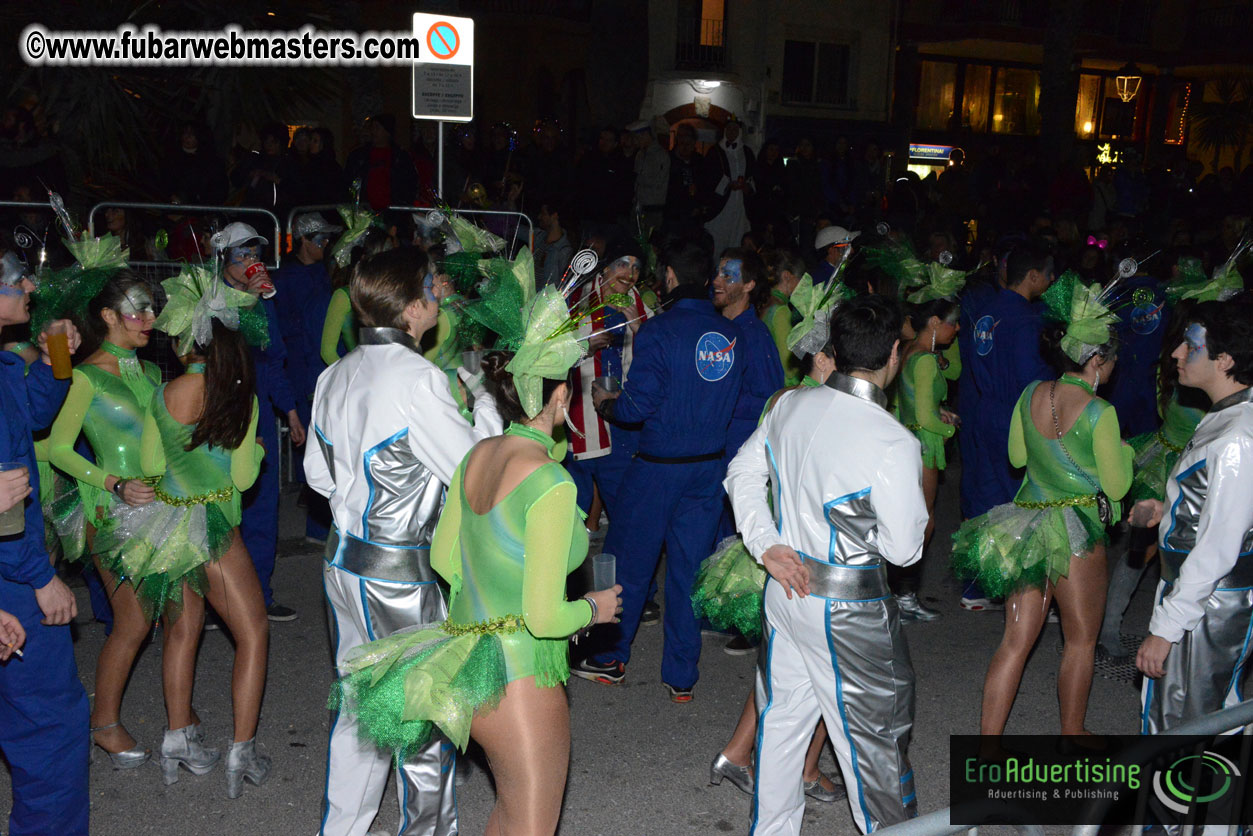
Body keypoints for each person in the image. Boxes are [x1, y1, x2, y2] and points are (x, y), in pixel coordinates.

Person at [328, 282, 622, 835]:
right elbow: (543, 617)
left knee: (508, 814)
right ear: (559, 398)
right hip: (522, 680)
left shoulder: (478, 456)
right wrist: (594, 608)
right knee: (531, 824)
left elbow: (445, 557)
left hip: (470, 667)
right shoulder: (553, 485)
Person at [306, 247, 502, 836]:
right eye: (432, 290)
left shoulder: (333, 372)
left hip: (343, 563)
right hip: (399, 575)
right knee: (421, 720)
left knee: (361, 714)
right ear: (414, 307)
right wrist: (486, 399)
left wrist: (358, 503)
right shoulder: (419, 378)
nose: (439, 298)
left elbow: (318, 474)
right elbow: (475, 473)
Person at [725, 294, 927, 834]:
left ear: (833, 350)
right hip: (849, 608)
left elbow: (741, 475)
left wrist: (765, 543)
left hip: (785, 589)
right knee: (875, 748)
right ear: (894, 356)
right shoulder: (893, 442)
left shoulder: (790, 404)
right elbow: (906, 551)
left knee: (783, 724)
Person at [99, 263, 271, 795]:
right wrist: (256, 449)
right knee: (254, 634)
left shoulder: (162, 395)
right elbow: (242, 478)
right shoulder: (239, 396)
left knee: (181, 632)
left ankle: (179, 742)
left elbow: (150, 464)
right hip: (215, 529)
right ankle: (241, 753)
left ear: (185, 345)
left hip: (168, 529)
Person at [952, 273, 1133, 742]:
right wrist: (1126, 455)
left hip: (1028, 527)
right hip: (1076, 533)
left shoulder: (1031, 393)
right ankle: (1073, 733)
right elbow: (1116, 486)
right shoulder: (1100, 412)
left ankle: (988, 745)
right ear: (1095, 359)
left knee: (1015, 642)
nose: (1112, 369)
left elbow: (1016, 458)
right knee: (1080, 641)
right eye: (1110, 360)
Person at [572, 238, 744, 701]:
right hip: (706, 471)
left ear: (669, 276)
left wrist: (607, 404)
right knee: (689, 570)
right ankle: (682, 677)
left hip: (658, 466)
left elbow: (636, 406)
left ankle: (611, 657)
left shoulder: (661, 331)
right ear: (707, 280)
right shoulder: (731, 334)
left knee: (631, 561)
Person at [704, 296, 847, 805]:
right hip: (800, 550)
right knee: (829, 667)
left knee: (782, 667)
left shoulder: (782, 399)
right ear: (824, 359)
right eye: (843, 355)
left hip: (767, 536)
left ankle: (739, 753)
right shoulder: (828, 408)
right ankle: (804, 770)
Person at [47, 270, 162, 768]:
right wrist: (112, 483)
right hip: (108, 511)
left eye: (152, 309)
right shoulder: (86, 376)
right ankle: (104, 724)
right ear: (108, 316)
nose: (149, 319)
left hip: (160, 509)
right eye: (137, 309)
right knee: (133, 622)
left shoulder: (153, 373)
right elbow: (55, 447)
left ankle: (180, 717)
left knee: (163, 615)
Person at [1136, 299, 1253, 745]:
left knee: (1194, 724)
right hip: (1203, 595)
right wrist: (1170, 512)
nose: (1176, 355)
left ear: (1224, 360)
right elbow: (1225, 512)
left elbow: (1220, 545)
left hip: (1210, 602)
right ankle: (1186, 814)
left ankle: (1194, 816)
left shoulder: (1237, 436)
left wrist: (1166, 629)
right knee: (1190, 718)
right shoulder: (1229, 416)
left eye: (1190, 346)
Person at [0, 255, 88, 836]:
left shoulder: (5, 366)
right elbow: (6, 508)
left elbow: (32, 413)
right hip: (14, 572)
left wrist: (58, 352)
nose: (30, 287)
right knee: (49, 726)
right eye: (15, 280)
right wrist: (39, 575)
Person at [956, 239, 1056, 611]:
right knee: (1026, 505)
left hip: (984, 410)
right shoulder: (1028, 320)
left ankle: (975, 586)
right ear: (1032, 276)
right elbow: (1031, 377)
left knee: (983, 504)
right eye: (1047, 277)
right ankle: (1025, 597)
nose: (1049, 283)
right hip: (1016, 418)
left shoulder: (986, 311)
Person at [212, 222, 302, 622]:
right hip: (223, 411)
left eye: (255, 255)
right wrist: (244, 301)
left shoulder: (265, 300)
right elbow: (212, 350)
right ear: (224, 262)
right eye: (242, 256)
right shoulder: (211, 299)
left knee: (263, 505)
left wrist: (292, 411)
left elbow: (275, 359)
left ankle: (258, 597)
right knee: (219, 507)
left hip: (261, 414)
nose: (251, 263)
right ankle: (217, 601)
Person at [565, 241, 654, 532]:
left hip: (624, 425)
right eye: (623, 264)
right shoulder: (576, 302)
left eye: (637, 267)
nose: (630, 273)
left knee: (625, 511)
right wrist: (584, 347)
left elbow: (659, 359)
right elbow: (547, 354)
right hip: (581, 419)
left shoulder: (642, 308)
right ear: (605, 267)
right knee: (572, 508)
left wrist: (640, 331)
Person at [893, 276, 964, 622]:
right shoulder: (925, 360)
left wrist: (938, 411)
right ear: (934, 322)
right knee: (923, 522)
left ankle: (900, 593)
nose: (958, 329)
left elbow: (912, 404)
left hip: (907, 439)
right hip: (922, 446)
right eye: (952, 323)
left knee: (911, 519)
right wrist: (948, 426)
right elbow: (923, 415)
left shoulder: (910, 350)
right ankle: (903, 596)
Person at [276, 213, 342, 542]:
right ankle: (316, 523)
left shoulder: (319, 272)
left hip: (316, 361)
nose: (325, 245)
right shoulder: (285, 277)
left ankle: (319, 516)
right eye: (320, 240)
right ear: (304, 240)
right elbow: (283, 325)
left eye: (327, 240)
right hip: (301, 366)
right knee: (315, 440)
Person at [713, 248, 783, 547]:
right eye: (718, 273)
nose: (717, 280)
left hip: (738, 454)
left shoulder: (753, 336)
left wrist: (717, 401)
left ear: (749, 285)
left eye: (728, 276)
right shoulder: (719, 326)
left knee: (730, 545)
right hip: (717, 451)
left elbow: (771, 400)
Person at [345, 114, 419, 211]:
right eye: (372, 127)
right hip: (364, 211)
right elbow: (349, 179)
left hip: (393, 211)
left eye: (377, 127)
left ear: (387, 131)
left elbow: (410, 184)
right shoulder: (358, 155)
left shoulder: (401, 157)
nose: (373, 131)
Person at [704, 117, 755, 257]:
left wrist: (747, 187)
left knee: (737, 240)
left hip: (740, 205)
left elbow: (753, 175)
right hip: (721, 205)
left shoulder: (747, 152)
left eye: (735, 129)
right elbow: (708, 176)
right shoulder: (715, 151)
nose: (732, 132)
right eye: (729, 129)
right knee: (718, 238)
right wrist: (727, 185)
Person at [762, 249, 805, 387]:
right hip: (782, 386)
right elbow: (789, 367)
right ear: (787, 276)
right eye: (801, 280)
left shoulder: (763, 302)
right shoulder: (781, 311)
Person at [635, 117, 671, 234]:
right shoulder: (640, 154)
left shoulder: (661, 156)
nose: (636, 141)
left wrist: (638, 178)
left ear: (646, 135)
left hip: (653, 208)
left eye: (638, 137)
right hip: (639, 206)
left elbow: (657, 182)